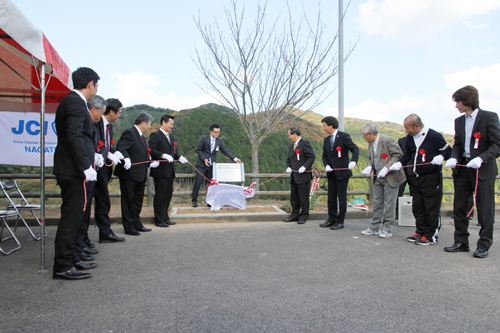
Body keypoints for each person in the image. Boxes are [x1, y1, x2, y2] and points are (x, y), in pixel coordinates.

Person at [52, 67, 99, 280]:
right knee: (71, 218)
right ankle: (62, 265)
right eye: (96, 85)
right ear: (90, 84)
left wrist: (94, 157)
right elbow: (74, 136)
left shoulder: (75, 102)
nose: (96, 89)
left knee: (76, 216)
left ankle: (72, 258)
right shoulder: (75, 102)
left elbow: (82, 137)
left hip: (74, 169)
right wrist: (85, 166)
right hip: (72, 171)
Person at [444, 85, 500, 258]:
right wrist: (454, 157)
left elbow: (496, 145)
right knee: (460, 206)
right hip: (463, 169)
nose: (456, 106)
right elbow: (458, 145)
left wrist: (481, 158)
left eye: (458, 102)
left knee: (485, 208)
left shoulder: (489, 117)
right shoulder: (459, 121)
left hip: (482, 169)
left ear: (468, 100)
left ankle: (484, 244)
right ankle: (461, 241)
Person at [390, 114, 451, 245]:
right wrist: (400, 163)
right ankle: (420, 231)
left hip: (431, 177)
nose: (406, 131)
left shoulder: (434, 136)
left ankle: (430, 235)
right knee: (418, 207)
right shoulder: (410, 138)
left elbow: (448, 150)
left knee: (431, 207)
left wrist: (441, 157)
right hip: (415, 178)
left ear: (416, 126)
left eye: (408, 128)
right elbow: (408, 154)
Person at [70, 95, 108, 269]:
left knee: (85, 213)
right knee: (78, 215)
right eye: (101, 112)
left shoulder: (92, 124)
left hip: (90, 172)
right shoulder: (83, 120)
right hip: (81, 173)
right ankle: (75, 250)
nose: (101, 116)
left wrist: (98, 156)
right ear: (94, 109)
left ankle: (80, 246)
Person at [114, 111, 158, 236]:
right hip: (129, 174)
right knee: (128, 201)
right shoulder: (129, 133)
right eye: (149, 124)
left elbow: (141, 155)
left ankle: (136, 222)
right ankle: (128, 226)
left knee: (138, 200)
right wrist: (126, 158)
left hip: (140, 174)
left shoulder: (142, 137)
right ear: (142, 123)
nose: (150, 126)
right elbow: (121, 147)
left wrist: (150, 162)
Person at [360, 123, 406, 238]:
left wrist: (387, 168)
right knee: (377, 202)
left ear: (370, 134)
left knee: (389, 203)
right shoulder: (371, 144)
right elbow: (370, 157)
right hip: (378, 177)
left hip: (391, 177)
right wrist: (369, 166)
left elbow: (398, 155)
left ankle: (387, 229)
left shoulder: (388, 140)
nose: (363, 138)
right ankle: (374, 227)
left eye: (364, 136)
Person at [94, 98, 126, 243]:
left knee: (103, 201)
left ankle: (105, 232)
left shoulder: (109, 127)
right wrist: (107, 153)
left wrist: (115, 153)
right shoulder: (96, 123)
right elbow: (98, 144)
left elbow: (108, 144)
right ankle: (102, 232)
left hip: (105, 168)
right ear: (111, 112)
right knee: (98, 200)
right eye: (118, 112)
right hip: (96, 166)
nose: (119, 115)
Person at [320, 116, 359, 230]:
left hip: (342, 173)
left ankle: (340, 221)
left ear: (331, 125)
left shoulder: (343, 136)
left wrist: (353, 161)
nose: (323, 128)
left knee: (341, 198)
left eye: (324, 126)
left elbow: (355, 149)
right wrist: (326, 165)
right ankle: (331, 219)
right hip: (331, 173)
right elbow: (324, 155)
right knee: (331, 197)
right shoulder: (327, 140)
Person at [148, 115, 188, 227]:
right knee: (160, 195)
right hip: (160, 170)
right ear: (163, 122)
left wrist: (179, 157)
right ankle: (159, 219)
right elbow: (152, 150)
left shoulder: (171, 137)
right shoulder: (155, 135)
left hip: (170, 171)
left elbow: (174, 153)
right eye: (170, 123)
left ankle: (165, 217)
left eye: (172, 124)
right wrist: (162, 155)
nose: (172, 126)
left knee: (167, 195)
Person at [191, 124, 241, 207]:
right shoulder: (204, 139)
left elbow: (225, 151)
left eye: (218, 132)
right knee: (198, 182)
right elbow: (198, 150)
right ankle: (194, 200)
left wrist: (235, 159)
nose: (217, 134)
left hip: (211, 166)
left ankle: (210, 201)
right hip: (201, 165)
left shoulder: (219, 141)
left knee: (212, 184)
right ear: (211, 131)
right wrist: (204, 159)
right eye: (215, 132)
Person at [284, 127, 316, 224]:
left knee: (303, 197)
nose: (289, 137)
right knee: (294, 197)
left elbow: (311, 156)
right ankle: (294, 214)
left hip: (303, 176)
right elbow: (288, 159)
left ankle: (304, 215)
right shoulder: (291, 146)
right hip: (294, 176)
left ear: (295, 134)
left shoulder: (305, 143)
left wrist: (305, 167)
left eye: (290, 135)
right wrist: (288, 167)